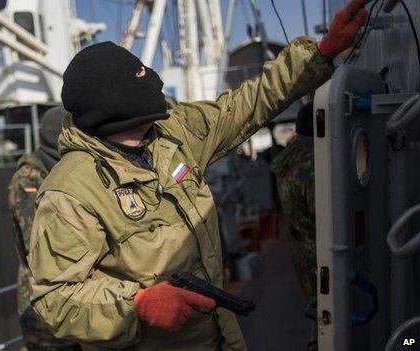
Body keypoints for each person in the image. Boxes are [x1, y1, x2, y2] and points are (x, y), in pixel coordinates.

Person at [27, 1, 367, 349]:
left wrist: (323, 52)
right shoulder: (70, 193)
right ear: (117, 108)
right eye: (145, 85)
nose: (157, 88)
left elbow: (247, 105)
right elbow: (54, 299)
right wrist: (136, 304)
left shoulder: (174, 133)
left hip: (218, 336)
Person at [8, 106, 79, 351]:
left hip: (73, 300)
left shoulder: (64, 169)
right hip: (43, 307)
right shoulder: (30, 179)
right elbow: (39, 244)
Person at [270, 102, 318, 350]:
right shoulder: (310, 167)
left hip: (302, 255)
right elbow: (324, 214)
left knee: (319, 314)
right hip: (321, 259)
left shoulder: (286, 163)